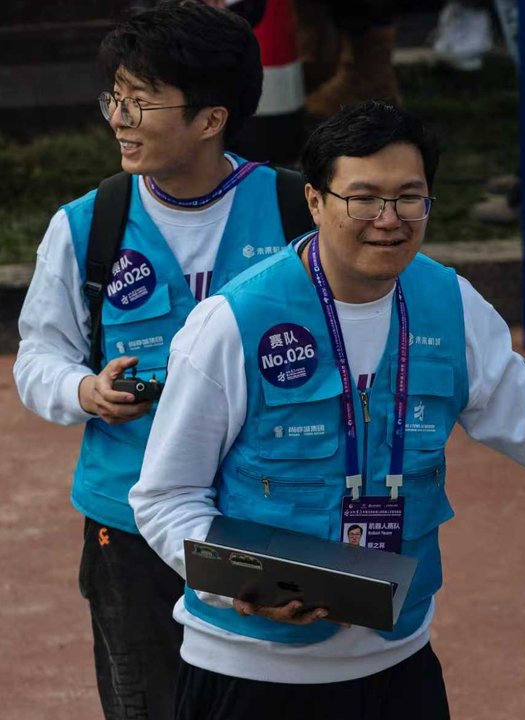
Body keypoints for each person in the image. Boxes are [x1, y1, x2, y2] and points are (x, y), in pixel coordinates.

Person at [129, 100, 525, 718]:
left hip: (398, 665)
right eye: (364, 197)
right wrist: (242, 581)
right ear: (316, 202)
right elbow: (164, 497)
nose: (389, 219)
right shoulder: (233, 323)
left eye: (410, 197)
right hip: (249, 674)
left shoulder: (447, 301)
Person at [11, 3, 301, 718]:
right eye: (115, 96)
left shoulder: (300, 211)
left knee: (278, 700)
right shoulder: (88, 223)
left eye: (143, 101)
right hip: (128, 523)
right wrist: (85, 390)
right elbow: (38, 354)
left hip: (267, 511)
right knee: (149, 704)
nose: (120, 118)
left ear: (211, 118)